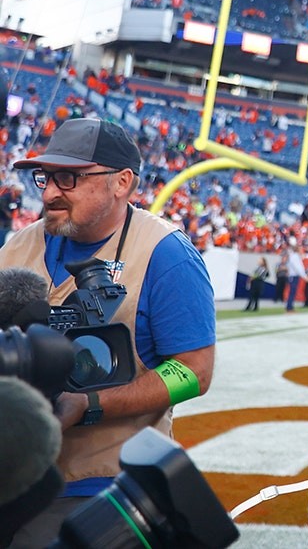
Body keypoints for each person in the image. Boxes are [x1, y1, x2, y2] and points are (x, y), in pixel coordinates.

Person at [0, 118, 216, 546]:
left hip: (105, 484)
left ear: (122, 183)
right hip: (14, 471)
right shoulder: (18, 246)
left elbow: (194, 371)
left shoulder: (166, 254)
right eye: (45, 177)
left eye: (69, 177)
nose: (48, 192)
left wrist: (89, 404)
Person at [283, 240, 305, 311]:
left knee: (293, 292)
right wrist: (304, 276)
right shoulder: (294, 257)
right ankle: (289, 307)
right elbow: (298, 267)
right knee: (292, 292)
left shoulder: (296, 256)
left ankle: (290, 306)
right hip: (293, 276)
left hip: (294, 276)